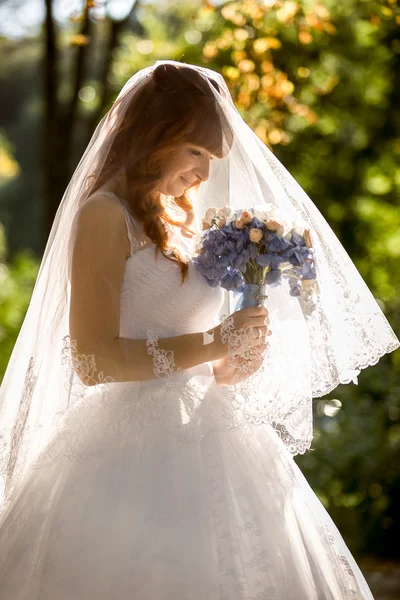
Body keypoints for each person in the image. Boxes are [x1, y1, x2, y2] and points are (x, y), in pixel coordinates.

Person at [0, 61, 398, 599]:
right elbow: (93, 361)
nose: (205, 175)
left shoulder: (178, 221)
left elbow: (199, 350)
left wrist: (232, 358)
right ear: (155, 133)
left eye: (213, 159)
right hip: (124, 453)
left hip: (215, 429)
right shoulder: (103, 214)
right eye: (197, 152)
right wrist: (214, 341)